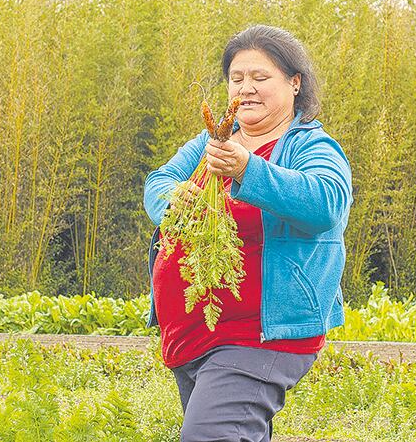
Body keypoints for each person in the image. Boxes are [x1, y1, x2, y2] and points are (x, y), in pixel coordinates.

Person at [143, 24, 354, 442]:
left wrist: (247, 169)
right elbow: (158, 181)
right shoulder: (212, 141)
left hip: (258, 338)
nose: (246, 89)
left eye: (260, 78)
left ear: (295, 84)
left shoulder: (309, 146)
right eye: (237, 79)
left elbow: (326, 204)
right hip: (193, 340)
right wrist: (173, 196)